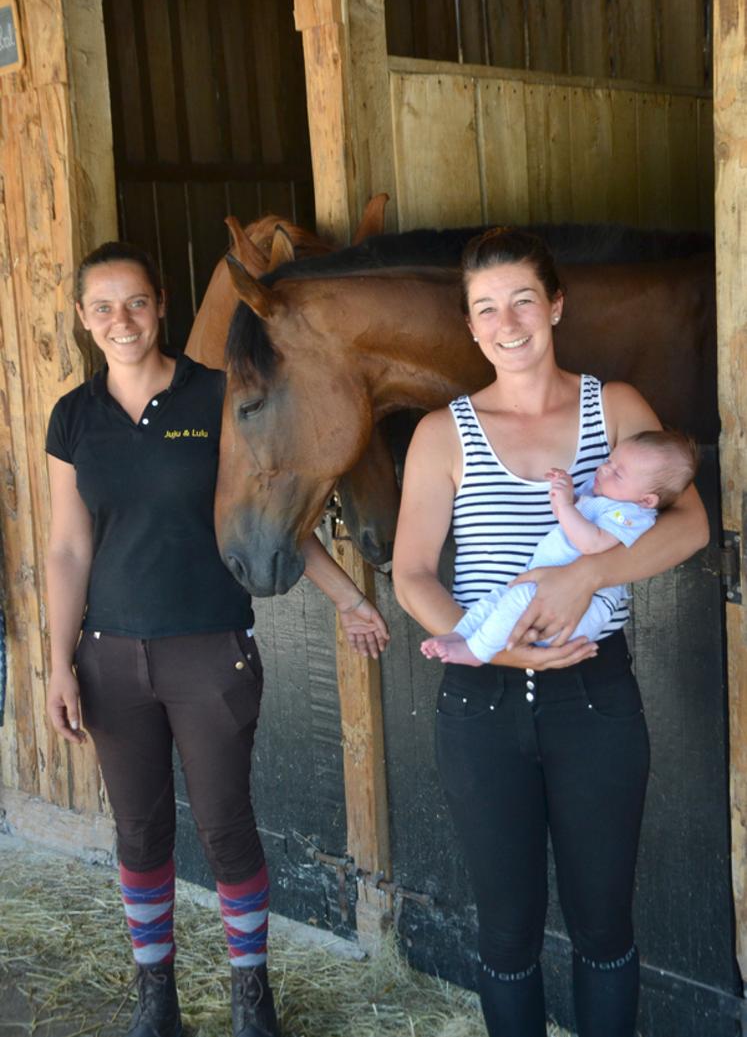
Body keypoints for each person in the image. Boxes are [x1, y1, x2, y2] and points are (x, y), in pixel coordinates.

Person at [45, 241, 389, 1037]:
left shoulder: (218, 395)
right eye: (101, 307)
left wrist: (346, 598)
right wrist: (59, 661)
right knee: (137, 831)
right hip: (108, 656)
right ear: (81, 319)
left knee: (226, 825)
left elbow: (266, 510)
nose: (119, 320)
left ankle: (249, 996)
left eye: (134, 302)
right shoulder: (74, 414)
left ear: (161, 305)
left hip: (208, 649)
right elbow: (66, 548)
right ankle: (155, 999)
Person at [392, 227, 708, 1037]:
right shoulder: (442, 433)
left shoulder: (618, 407)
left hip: (593, 702)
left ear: (556, 304)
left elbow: (691, 527)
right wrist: (491, 639)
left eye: (523, 299)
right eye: (486, 307)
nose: (507, 321)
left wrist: (586, 574)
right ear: (469, 324)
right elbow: (412, 574)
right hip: (482, 704)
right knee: (506, 932)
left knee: (603, 927)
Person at [421, 430, 698, 665]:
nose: (603, 469)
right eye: (609, 460)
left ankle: (476, 651)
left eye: (618, 473)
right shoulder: (610, 494)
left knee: (517, 598)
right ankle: (461, 634)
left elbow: (591, 543)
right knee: (499, 598)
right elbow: (569, 514)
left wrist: (566, 505)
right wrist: (565, 494)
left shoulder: (631, 515)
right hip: (546, 587)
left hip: (582, 610)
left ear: (647, 500)